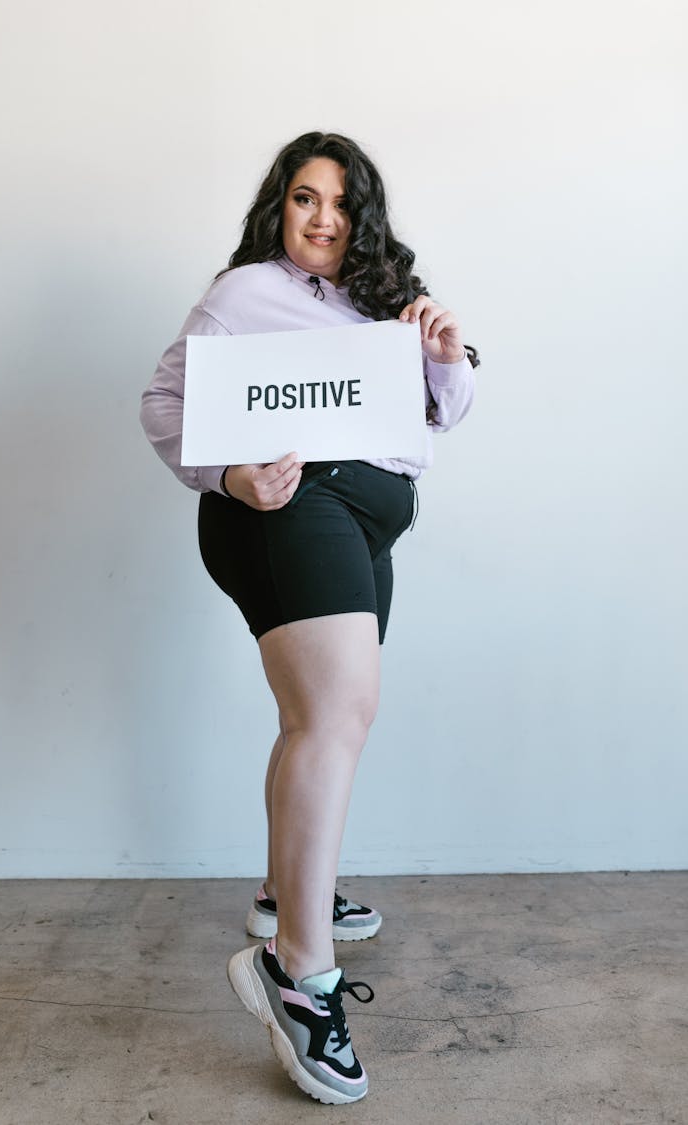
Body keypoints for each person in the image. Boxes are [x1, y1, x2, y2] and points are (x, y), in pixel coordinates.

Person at [140, 131, 477, 1105]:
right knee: (335, 714)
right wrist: (231, 474)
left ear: (361, 213)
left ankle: (286, 885)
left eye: (339, 200)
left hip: (365, 518)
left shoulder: (378, 301)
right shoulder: (243, 295)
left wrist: (445, 359)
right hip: (291, 509)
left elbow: (437, 417)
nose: (321, 216)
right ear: (277, 208)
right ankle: (300, 973)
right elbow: (166, 402)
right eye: (302, 198)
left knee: (330, 718)